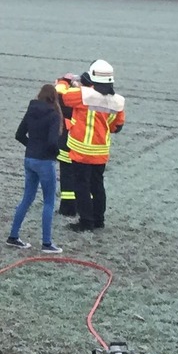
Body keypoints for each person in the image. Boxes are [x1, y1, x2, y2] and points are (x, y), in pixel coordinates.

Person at [60, 60, 125, 232]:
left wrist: (66, 81)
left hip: (81, 150)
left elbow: (63, 97)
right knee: (97, 185)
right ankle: (99, 220)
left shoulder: (83, 95)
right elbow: (116, 127)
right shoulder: (117, 102)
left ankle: (85, 221)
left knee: (81, 186)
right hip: (100, 152)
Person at [6, 84, 64, 253]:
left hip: (29, 159)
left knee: (27, 198)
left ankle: (13, 236)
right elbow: (53, 142)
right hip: (45, 162)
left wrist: (31, 147)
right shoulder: (54, 115)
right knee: (49, 201)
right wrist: (56, 154)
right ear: (54, 98)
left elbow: (19, 134)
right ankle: (47, 243)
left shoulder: (31, 110)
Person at [53, 73, 78, 217]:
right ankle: (85, 206)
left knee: (67, 177)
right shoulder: (87, 100)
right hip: (86, 149)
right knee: (86, 179)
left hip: (67, 145)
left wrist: (63, 81)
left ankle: (68, 208)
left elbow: (58, 94)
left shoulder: (65, 101)